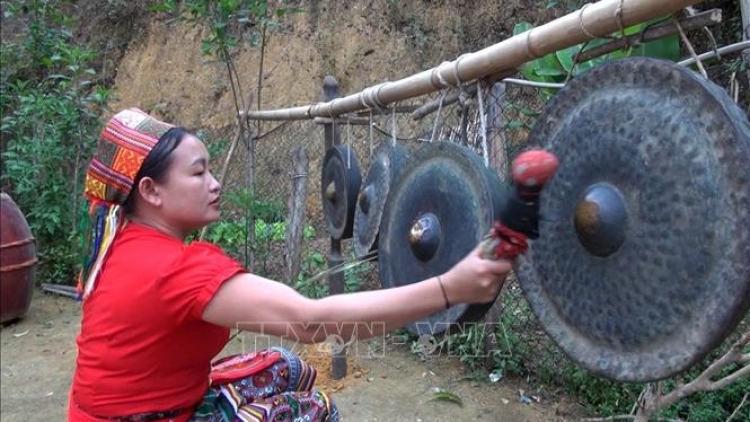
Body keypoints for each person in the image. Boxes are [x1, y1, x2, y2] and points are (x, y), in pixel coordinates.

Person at [68, 108, 513, 422]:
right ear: (150, 190)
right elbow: (311, 323)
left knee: (284, 366)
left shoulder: (112, 243)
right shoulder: (177, 269)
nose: (215, 183)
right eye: (199, 173)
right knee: (311, 412)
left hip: (100, 413)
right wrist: (449, 288)